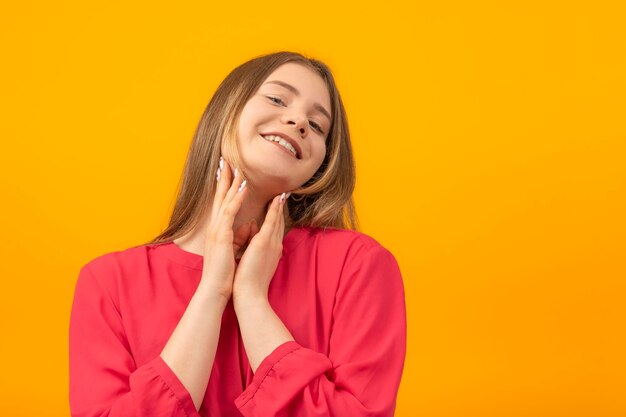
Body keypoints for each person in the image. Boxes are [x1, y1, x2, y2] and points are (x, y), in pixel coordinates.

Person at [69, 51, 407, 417]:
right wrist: (212, 291)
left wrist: (251, 299)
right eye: (277, 99)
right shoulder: (109, 283)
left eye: (318, 125)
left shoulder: (357, 266)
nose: (298, 121)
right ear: (226, 111)